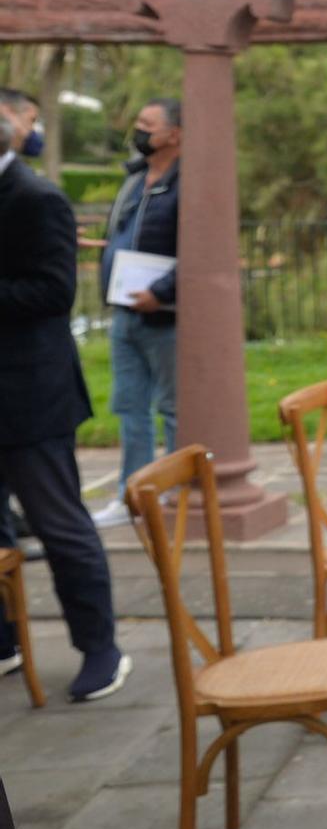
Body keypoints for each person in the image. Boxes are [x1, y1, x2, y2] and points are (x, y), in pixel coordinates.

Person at [0, 88, 129, 702]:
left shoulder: (37, 198)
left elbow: (52, 294)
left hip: (29, 395)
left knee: (59, 524)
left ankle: (100, 649)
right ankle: (5, 641)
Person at [89, 98, 182, 531]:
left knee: (172, 405)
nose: (138, 131)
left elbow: (200, 252)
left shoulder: (189, 184)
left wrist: (161, 291)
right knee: (129, 405)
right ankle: (134, 492)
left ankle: (179, 492)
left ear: (174, 134)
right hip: (124, 310)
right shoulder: (136, 178)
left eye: (147, 125)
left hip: (164, 315)